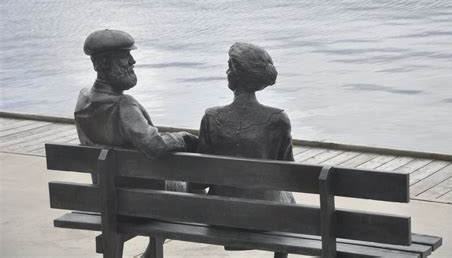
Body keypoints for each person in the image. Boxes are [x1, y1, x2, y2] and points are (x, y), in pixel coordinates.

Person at [74, 29, 198, 257]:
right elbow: (155, 145)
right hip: (139, 203)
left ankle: (151, 252)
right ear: (103, 62)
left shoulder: (83, 99)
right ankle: (153, 251)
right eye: (125, 57)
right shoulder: (123, 105)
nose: (132, 61)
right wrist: (184, 138)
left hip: (105, 198)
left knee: (158, 179)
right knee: (190, 183)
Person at [197, 42, 294, 258]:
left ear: (239, 75)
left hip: (219, 218)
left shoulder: (211, 118)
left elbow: (197, 181)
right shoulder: (278, 120)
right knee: (287, 195)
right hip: (266, 218)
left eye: (230, 67)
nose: (227, 71)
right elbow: (289, 176)